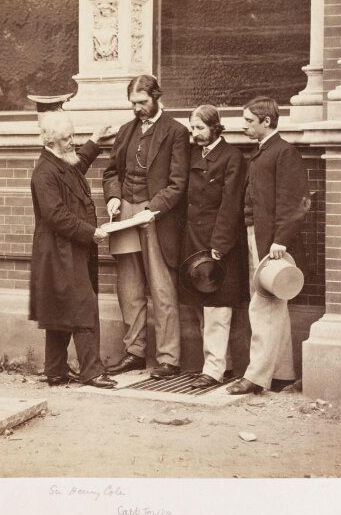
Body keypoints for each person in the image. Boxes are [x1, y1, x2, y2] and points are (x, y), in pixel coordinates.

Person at [102, 75, 190, 379]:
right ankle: (135, 352)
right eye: (133, 103)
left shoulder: (177, 132)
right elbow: (111, 171)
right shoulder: (126, 131)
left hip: (157, 216)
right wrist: (113, 197)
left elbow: (178, 183)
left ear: (156, 97)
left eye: (142, 102)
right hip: (126, 211)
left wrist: (153, 209)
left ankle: (169, 358)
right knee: (129, 287)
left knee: (162, 287)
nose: (138, 108)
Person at [227, 96, 310, 395]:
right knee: (274, 305)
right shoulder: (264, 152)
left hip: (273, 244)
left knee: (263, 306)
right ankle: (284, 374)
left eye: (249, 121)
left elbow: (297, 203)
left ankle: (256, 376)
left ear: (267, 121)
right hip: (259, 236)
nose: (244, 126)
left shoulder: (284, 153)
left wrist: (281, 240)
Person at [29, 112, 117, 389]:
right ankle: (92, 372)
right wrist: (91, 232)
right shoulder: (44, 172)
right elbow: (56, 216)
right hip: (59, 252)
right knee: (83, 305)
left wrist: (95, 139)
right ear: (51, 140)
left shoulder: (59, 162)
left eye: (73, 136)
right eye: (67, 138)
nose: (72, 142)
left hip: (66, 250)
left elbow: (77, 165)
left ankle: (55, 371)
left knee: (60, 307)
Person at [178, 105, 249, 389]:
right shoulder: (194, 154)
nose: (195, 134)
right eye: (193, 128)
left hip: (219, 243)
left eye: (200, 129)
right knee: (201, 305)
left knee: (218, 307)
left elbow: (231, 205)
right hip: (193, 241)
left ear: (215, 127)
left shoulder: (232, 158)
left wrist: (219, 244)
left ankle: (214, 370)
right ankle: (222, 364)